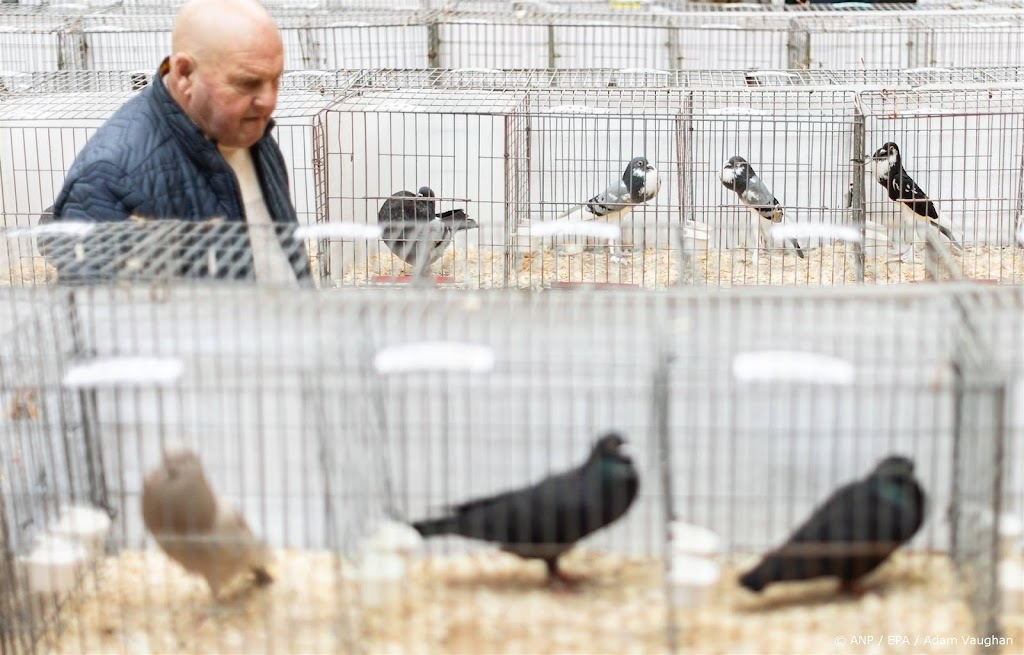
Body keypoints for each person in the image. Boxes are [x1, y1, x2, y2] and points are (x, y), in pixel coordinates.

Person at [48, 0, 310, 283]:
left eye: (276, 80)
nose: (269, 101)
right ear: (185, 73)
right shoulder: (110, 179)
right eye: (247, 83)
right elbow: (97, 318)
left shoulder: (252, 133)